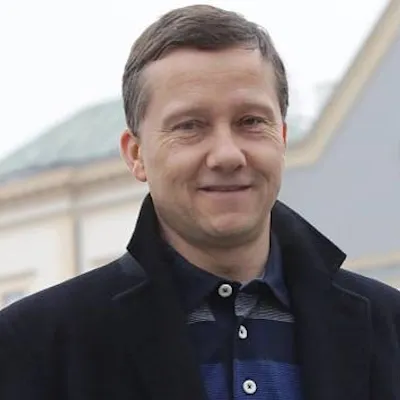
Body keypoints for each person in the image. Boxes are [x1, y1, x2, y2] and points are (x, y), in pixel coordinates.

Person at [0, 4, 399, 400]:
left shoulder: (390, 328)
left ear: (281, 137)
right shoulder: (32, 349)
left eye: (250, 122)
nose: (227, 155)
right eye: (190, 126)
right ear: (136, 155)